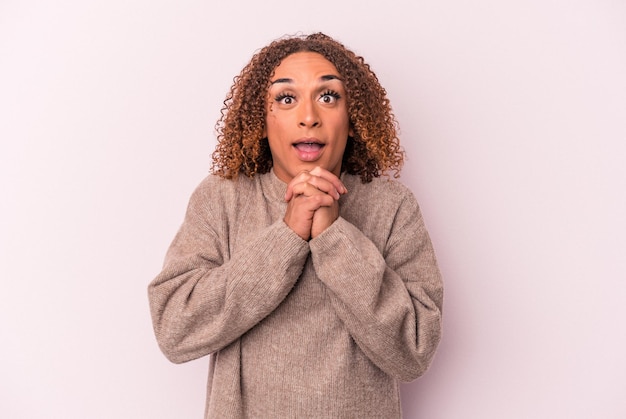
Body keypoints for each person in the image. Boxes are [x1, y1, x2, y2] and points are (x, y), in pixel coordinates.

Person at [148, 32, 443, 418]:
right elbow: (175, 331)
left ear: (353, 119)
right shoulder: (221, 198)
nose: (308, 116)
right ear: (262, 120)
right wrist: (286, 237)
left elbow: (413, 352)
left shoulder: (392, 206)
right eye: (286, 99)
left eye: (328, 96)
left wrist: (334, 236)